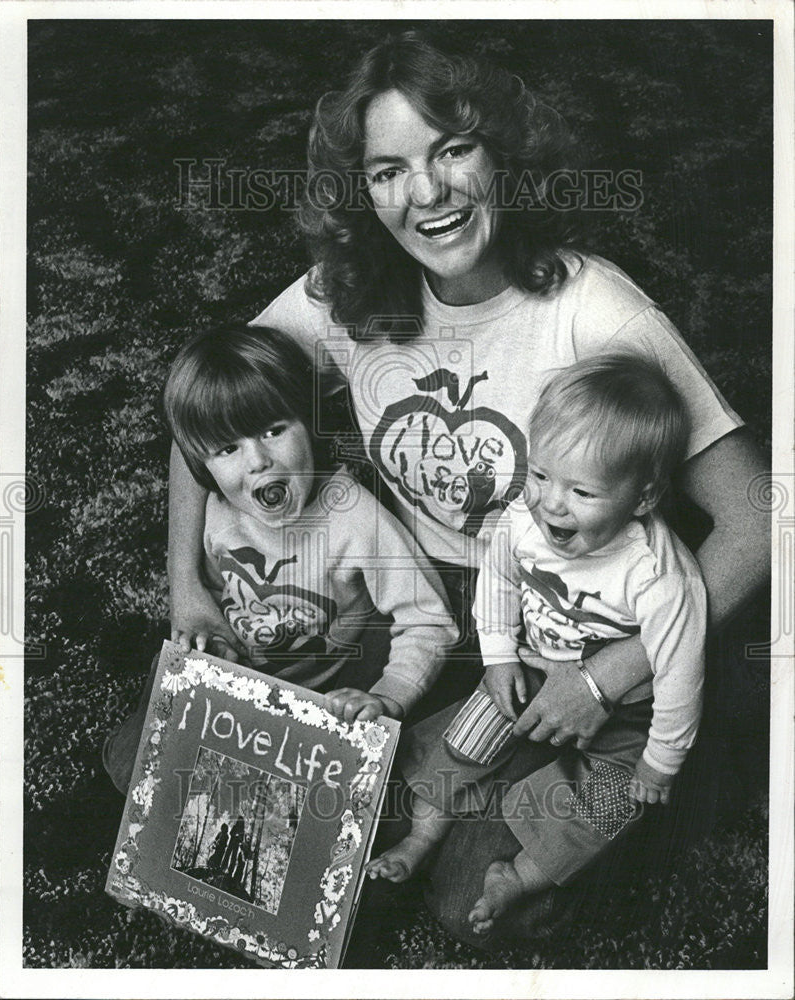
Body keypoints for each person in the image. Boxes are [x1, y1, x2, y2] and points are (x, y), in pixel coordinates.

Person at [167, 33, 769, 944]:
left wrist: (607, 679)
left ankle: (677, 780)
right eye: (387, 170)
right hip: (418, 597)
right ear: (362, 191)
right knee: (169, 762)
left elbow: (762, 519)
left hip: (564, 629)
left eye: (453, 151)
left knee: (464, 904)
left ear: (503, 157)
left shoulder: (596, 309)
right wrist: (189, 583)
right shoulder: (347, 290)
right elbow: (205, 412)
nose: (426, 194)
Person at [367, 354, 706, 937]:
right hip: (529, 672)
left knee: (606, 802)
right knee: (464, 743)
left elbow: (681, 672)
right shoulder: (522, 523)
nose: (551, 503)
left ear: (644, 498)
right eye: (541, 475)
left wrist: (662, 760)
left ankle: (520, 874)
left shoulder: (656, 574)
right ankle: (423, 835)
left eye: (581, 491)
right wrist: (498, 656)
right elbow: (496, 582)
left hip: (629, 713)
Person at [102, 322, 457, 794]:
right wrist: (217, 648)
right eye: (227, 449)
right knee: (131, 769)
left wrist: (388, 698)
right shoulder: (213, 512)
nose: (257, 461)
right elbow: (214, 599)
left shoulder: (355, 517)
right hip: (239, 693)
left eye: (273, 430)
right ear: (199, 464)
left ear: (309, 424)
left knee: (350, 807)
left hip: (328, 696)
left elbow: (431, 621)